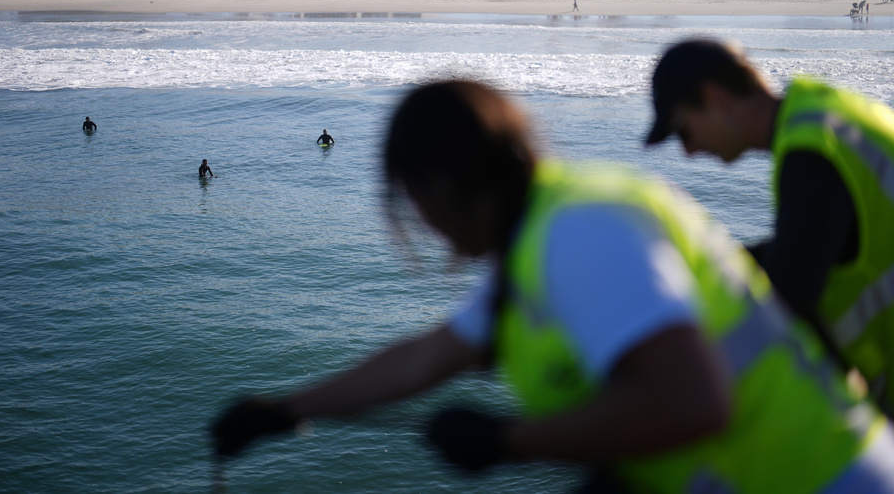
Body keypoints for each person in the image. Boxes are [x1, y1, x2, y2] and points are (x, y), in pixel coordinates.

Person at [213, 79, 894, 492]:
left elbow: (695, 402)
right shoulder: (530, 247)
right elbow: (429, 356)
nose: (418, 224)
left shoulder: (580, 232)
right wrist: (283, 408)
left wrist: (512, 440)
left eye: (410, 202)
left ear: (441, 188)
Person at [644, 36, 894, 414]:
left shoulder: (810, 157)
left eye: (683, 130)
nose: (688, 151)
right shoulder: (822, 113)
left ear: (715, 98)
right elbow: (808, 247)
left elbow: (786, 303)